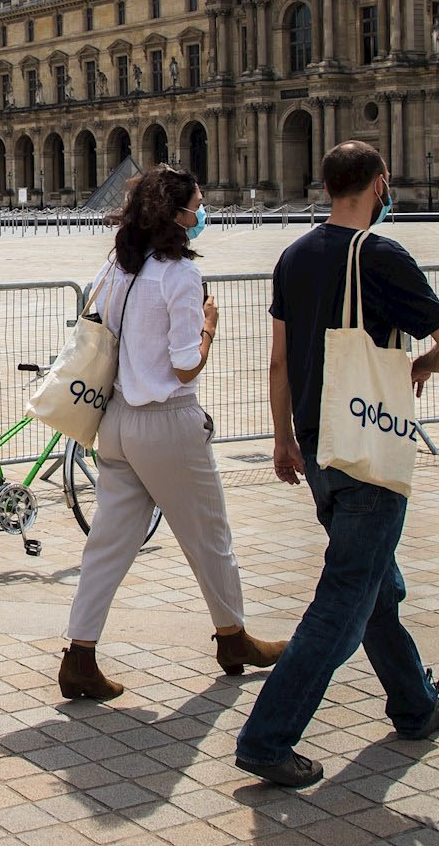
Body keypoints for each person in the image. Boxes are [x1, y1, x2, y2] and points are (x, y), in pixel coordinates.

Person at [233, 141, 439, 787]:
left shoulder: (294, 255)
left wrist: (282, 438)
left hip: (316, 445)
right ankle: (266, 739)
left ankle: (415, 706)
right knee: (343, 601)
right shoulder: (382, 255)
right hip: (368, 446)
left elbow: (279, 360)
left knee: (376, 590)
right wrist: (422, 366)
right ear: (379, 183)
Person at [59, 164, 287, 701]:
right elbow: (185, 365)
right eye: (197, 204)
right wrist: (209, 325)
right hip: (166, 424)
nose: (202, 212)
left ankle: (80, 656)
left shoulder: (119, 264)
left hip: (114, 422)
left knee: (107, 547)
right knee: (210, 537)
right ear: (178, 215)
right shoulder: (179, 274)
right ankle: (234, 639)